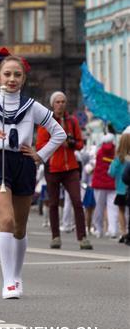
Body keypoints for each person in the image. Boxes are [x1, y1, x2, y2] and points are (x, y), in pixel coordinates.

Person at [0, 49, 65, 300]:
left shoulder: (32, 106)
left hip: (24, 164)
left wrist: (40, 154)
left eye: (17, 75)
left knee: (19, 226)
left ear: (23, 79)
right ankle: (7, 282)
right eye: (7, 74)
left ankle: (16, 276)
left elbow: (58, 133)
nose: (12, 79)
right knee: (5, 220)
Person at [37, 92, 91, 250]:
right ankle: (55, 237)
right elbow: (40, 146)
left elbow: (80, 144)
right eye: (58, 102)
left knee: (77, 201)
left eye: (63, 102)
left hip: (71, 168)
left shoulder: (72, 121)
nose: (60, 104)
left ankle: (82, 238)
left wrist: (71, 143)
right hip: (53, 168)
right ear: (53, 104)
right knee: (53, 203)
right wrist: (57, 143)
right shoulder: (46, 122)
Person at [92, 133, 118, 239]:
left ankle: (99, 229)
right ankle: (113, 230)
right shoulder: (116, 152)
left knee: (99, 208)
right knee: (113, 208)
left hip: (99, 184)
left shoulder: (99, 152)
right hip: (112, 183)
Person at [109, 127, 130, 245]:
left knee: (121, 211)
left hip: (120, 190)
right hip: (129, 189)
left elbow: (111, 173)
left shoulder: (118, 159)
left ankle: (123, 232)